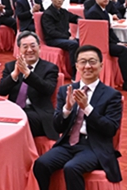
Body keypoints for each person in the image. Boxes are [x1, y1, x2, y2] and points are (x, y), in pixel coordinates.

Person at [33, 45, 123, 190]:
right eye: (83, 62)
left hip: (94, 146)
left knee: (72, 168)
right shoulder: (66, 91)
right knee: (41, 164)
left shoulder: (112, 95)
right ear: (77, 66)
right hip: (68, 144)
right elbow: (58, 127)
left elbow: (110, 129)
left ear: (101, 65)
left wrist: (87, 108)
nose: (87, 66)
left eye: (92, 62)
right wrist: (67, 109)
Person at [0, 31, 59, 140]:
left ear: (39, 47)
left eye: (33, 46)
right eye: (25, 47)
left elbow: (48, 89)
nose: (29, 50)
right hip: (14, 109)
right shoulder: (11, 66)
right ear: (19, 49)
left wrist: (28, 73)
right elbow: (1, 91)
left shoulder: (50, 68)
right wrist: (15, 75)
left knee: (22, 119)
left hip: (38, 113)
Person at [84, 0, 127, 91]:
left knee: (123, 45)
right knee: (123, 51)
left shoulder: (103, 11)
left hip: (106, 41)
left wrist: (118, 42)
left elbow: (109, 31)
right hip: (99, 44)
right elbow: (100, 34)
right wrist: (117, 44)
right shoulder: (94, 12)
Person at [42, 0, 80, 79]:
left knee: (82, 41)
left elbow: (74, 18)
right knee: (73, 44)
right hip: (52, 39)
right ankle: (74, 71)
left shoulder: (63, 11)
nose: (59, 0)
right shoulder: (48, 14)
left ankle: (81, 67)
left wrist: (80, 20)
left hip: (63, 38)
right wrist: (67, 37)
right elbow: (51, 32)